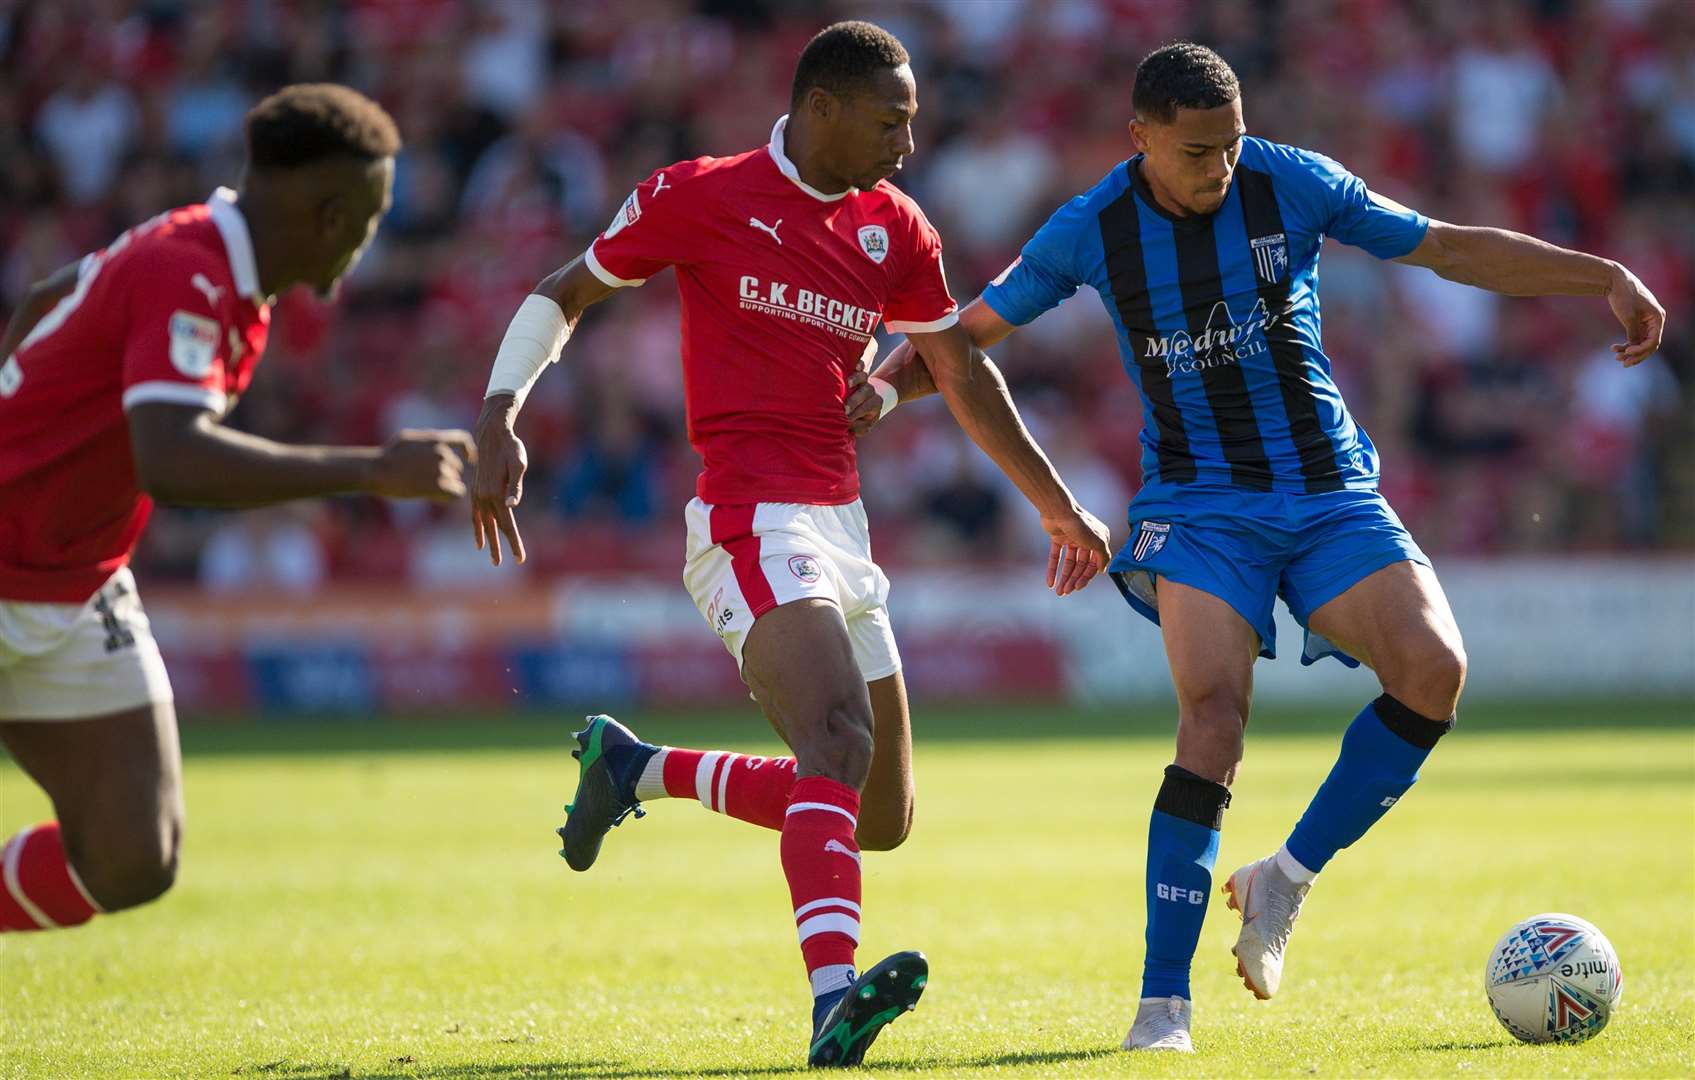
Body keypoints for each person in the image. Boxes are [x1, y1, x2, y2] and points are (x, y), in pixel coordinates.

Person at [852, 42, 1665, 1053]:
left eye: (1229, 148)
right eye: (1197, 152)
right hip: (1198, 506)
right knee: (1214, 718)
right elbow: (961, 337)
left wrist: (1603, 274)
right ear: (1140, 138)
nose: (1219, 169)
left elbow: (1447, 246)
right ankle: (1162, 1008)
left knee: (1434, 672)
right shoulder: (1093, 227)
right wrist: (884, 389)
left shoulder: (1294, 180)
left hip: (1328, 488)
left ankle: (1284, 878)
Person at [470, 21, 1111, 1068]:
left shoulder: (896, 226)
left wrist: (1053, 500)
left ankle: (636, 769)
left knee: (882, 813)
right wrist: (499, 413)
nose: (910, 141)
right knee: (839, 746)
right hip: (746, 517)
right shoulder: (701, 193)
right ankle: (832, 1001)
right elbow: (565, 291)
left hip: (840, 524)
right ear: (822, 107)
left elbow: (957, 368)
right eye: (891, 119)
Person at [0, 85, 475, 935]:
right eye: (367, 221)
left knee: (130, 857)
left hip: (76, 581)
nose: (366, 244)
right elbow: (172, 458)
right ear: (328, 214)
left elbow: (49, 295)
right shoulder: (191, 268)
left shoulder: (202, 259)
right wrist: (371, 470)